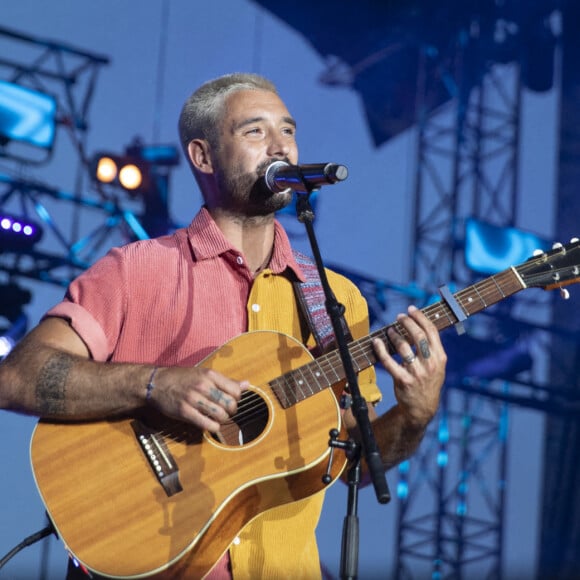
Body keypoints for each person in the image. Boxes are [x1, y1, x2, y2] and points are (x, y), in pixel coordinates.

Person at [0, 73, 446, 579]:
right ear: (203, 156)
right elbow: (15, 377)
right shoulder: (135, 270)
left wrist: (414, 415)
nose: (281, 145)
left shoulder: (335, 300)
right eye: (256, 132)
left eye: (288, 131)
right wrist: (154, 385)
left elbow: (354, 467)